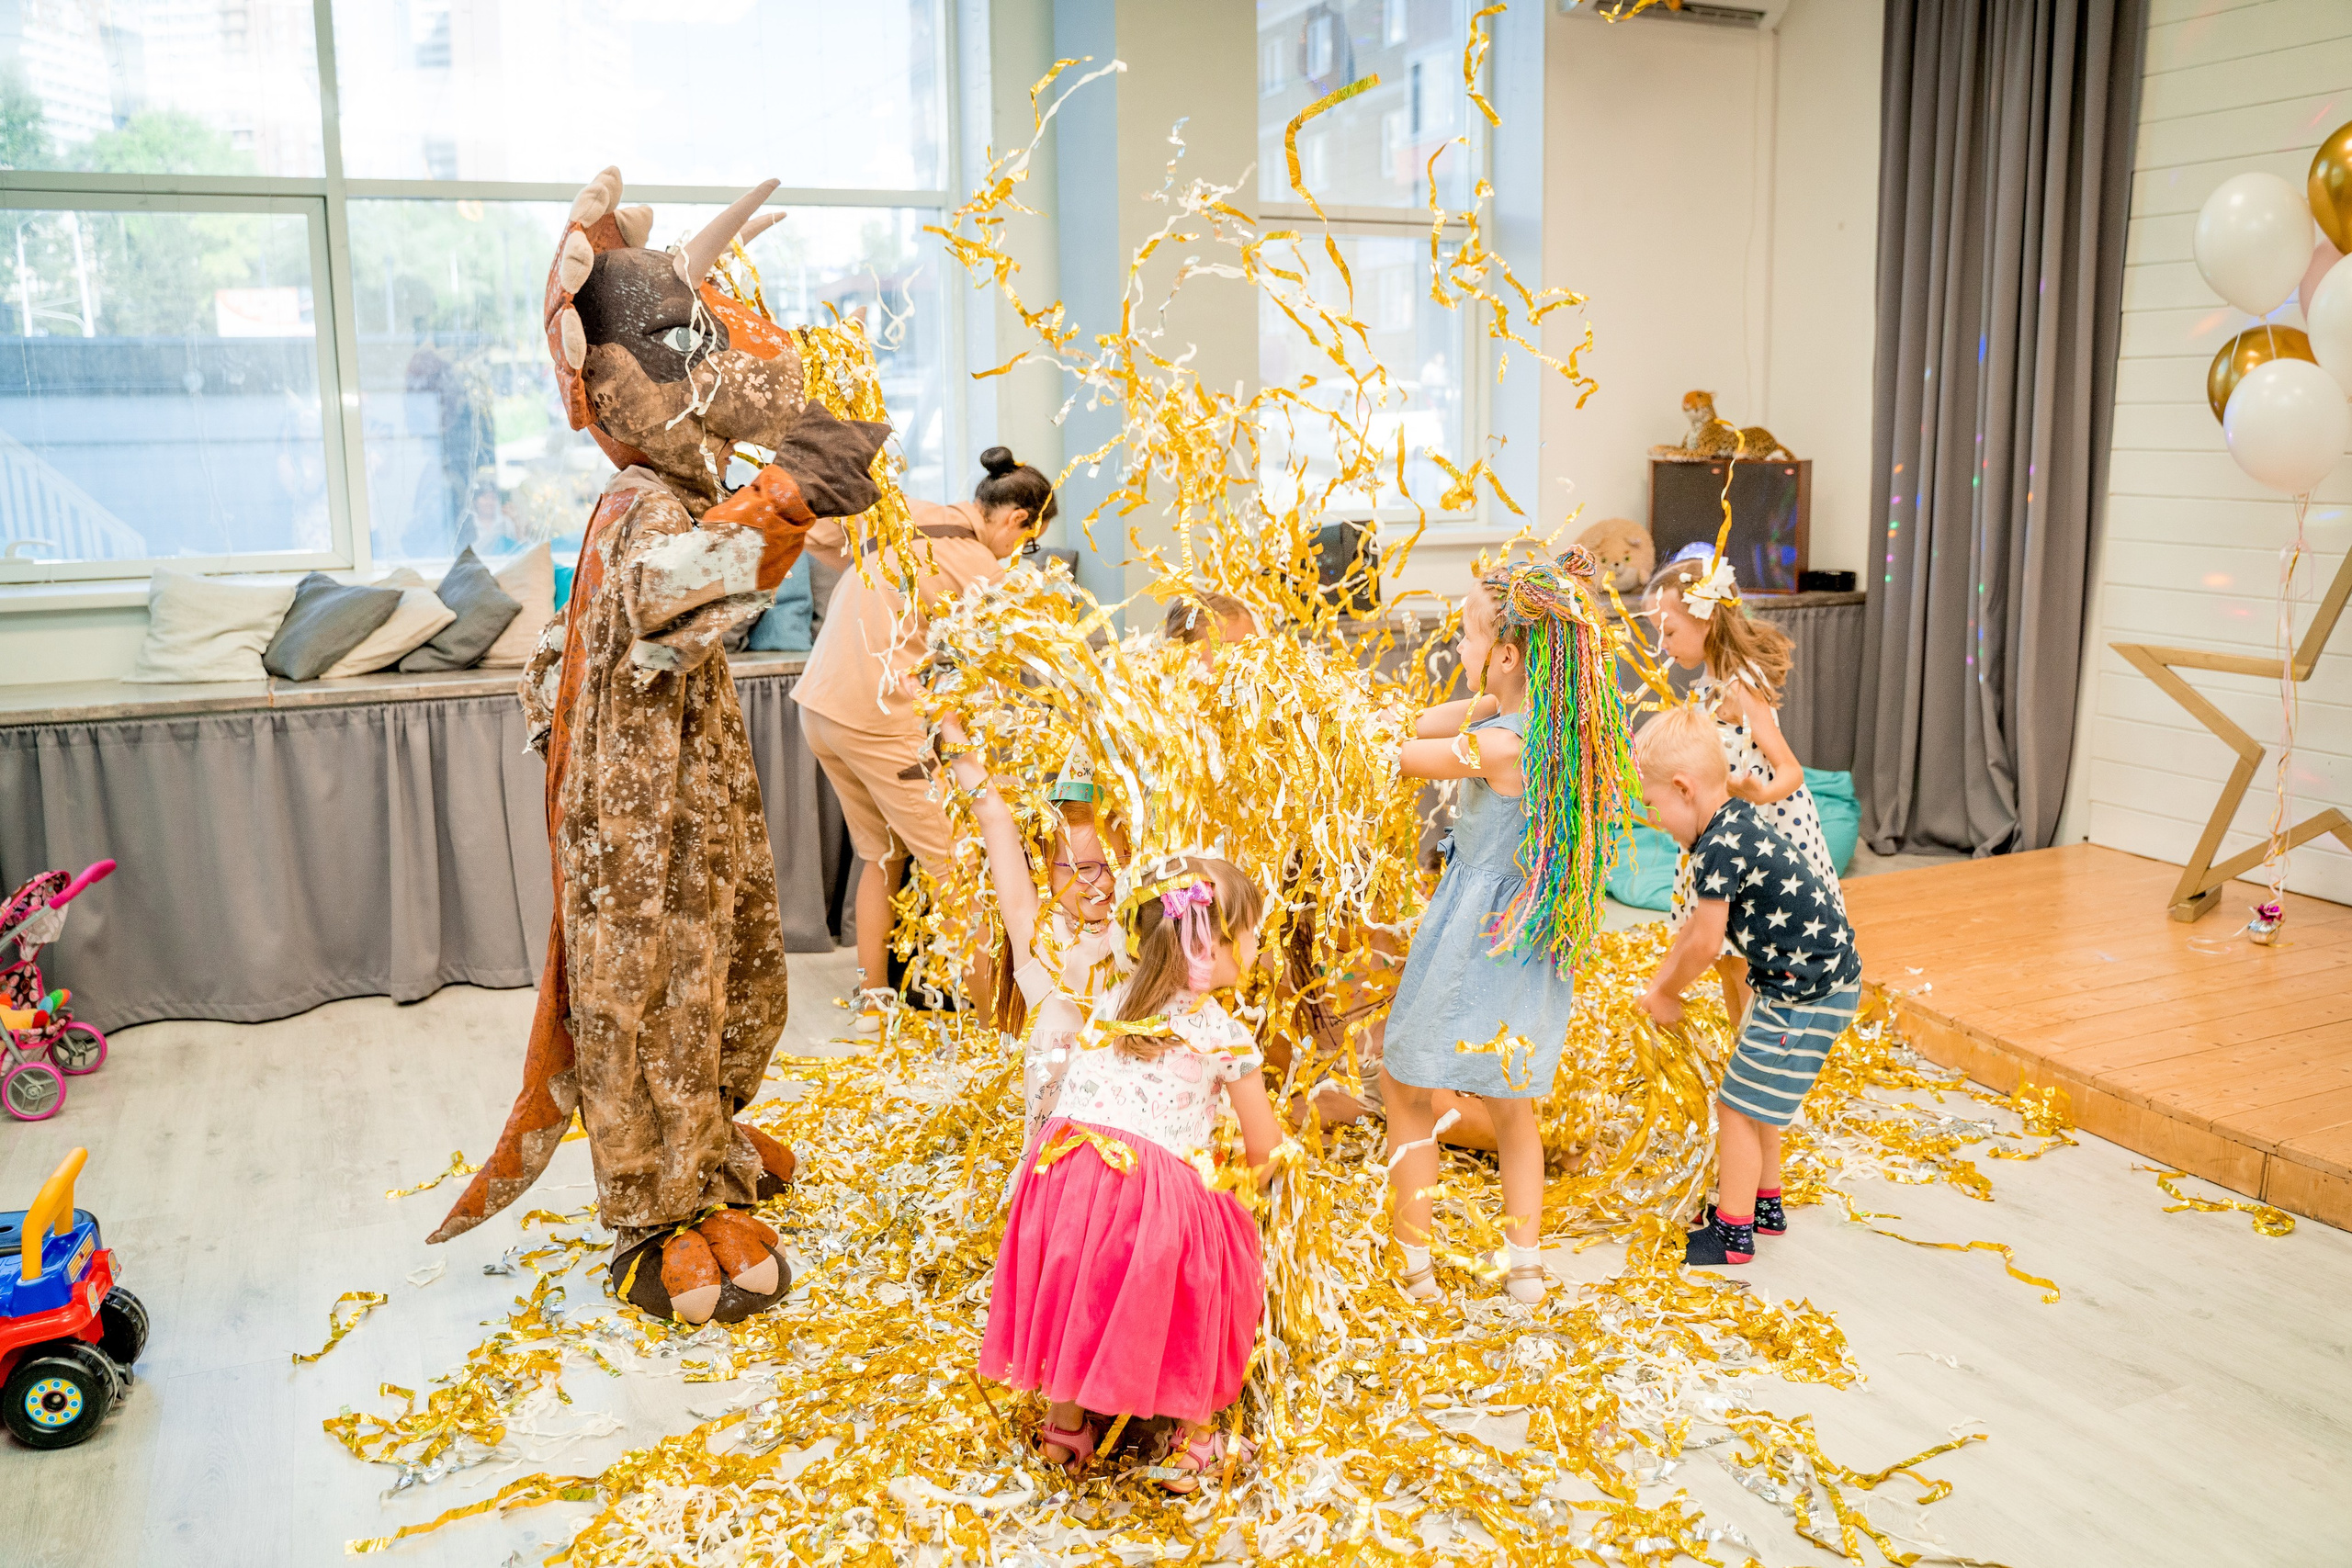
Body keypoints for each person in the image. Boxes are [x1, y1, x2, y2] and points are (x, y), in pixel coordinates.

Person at [1380, 550, 1635, 1306]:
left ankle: (1417, 1268)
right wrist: (1484, 697)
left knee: (1404, 1081)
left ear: (1507, 653)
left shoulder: (1501, 746)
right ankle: (1524, 1270)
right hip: (1526, 949)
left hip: (1476, 941)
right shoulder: (1550, 731)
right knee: (1514, 1106)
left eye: (1463, 634)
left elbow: (1402, 753)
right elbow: (1432, 717)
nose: (1455, 647)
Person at [978, 854, 1279, 1493]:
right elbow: (1265, 1146)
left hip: (1063, 1177)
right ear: (1209, 950)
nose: (1256, 940)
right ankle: (1193, 1437)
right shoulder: (1226, 1036)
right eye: (1248, 928)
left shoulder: (1113, 998)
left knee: (1085, 1271)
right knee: (1219, 1253)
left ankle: (1065, 1425)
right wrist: (1256, 1194)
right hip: (1146, 1191)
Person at [794, 446, 1057, 1031]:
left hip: (820, 706)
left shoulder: (903, 511)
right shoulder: (978, 566)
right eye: (1030, 544)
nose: (1021, 555)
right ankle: (1000, 1035)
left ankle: (874, 1001)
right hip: (877, 718)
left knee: (880, 854)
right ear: (1019, 520)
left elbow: (815, 537)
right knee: (958, 870)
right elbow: (1014, 665)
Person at [1634, 704, 1861, 1268]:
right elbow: (1693, 932)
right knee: (1757, 1098)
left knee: (1736, 1105)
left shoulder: (1715, 848)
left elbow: (1708, 943)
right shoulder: (1731, 818)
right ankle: (1765, 1202)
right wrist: (1660, 984)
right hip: (1806, 981)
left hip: (1806, 992)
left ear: (1683, 789)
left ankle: (1732, 1234)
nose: (1653, 818)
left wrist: (1668, 994)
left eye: (1653, 804)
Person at [1646, 553, 1844, 1024]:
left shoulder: (1739, 688)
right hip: (1721, 839)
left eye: (1669, 631)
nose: (1663, 644)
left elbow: (1791, 770)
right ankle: (1742, 1049)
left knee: (1746, 960)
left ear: (1707, 617)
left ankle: (1753, 1054)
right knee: (1727, 959)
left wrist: (1758, 792)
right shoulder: (1705, 689)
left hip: (1759, 834)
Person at [940, 716, 1130, 1145]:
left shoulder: (1140, 929)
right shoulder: (1036, 933)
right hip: (1059, 1158)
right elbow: (992, 815)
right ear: (1047, 867)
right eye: (1078, 869)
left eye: (1109, 866)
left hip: (1135, 1145)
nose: (1094, 882)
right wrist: (949, 721)